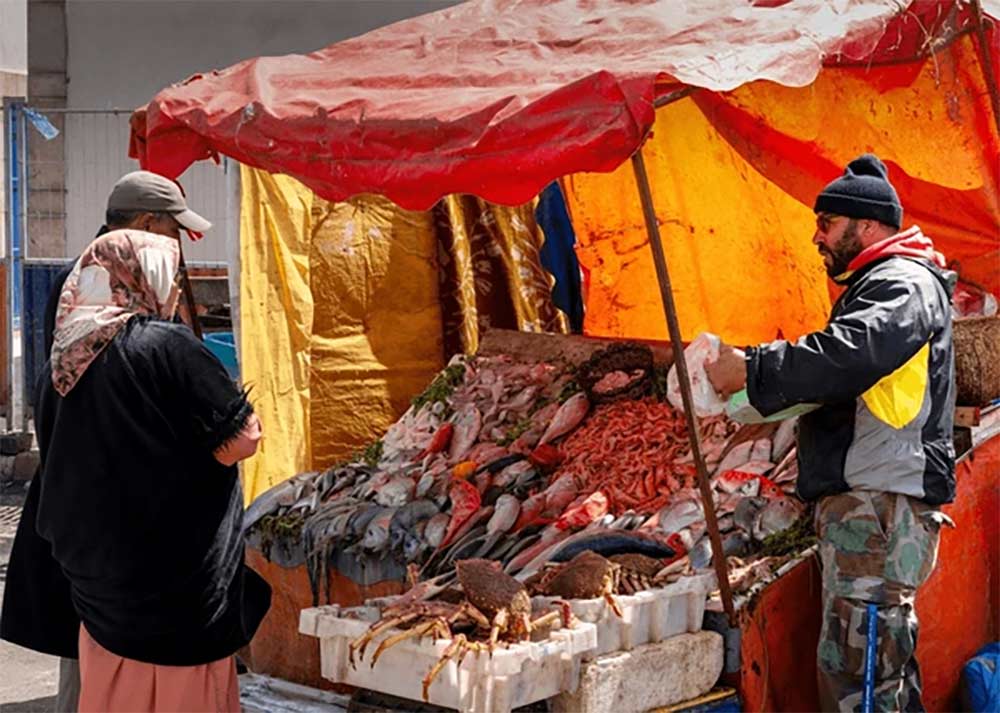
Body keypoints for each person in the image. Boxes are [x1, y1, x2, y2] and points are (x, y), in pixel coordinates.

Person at [705, 154, 956, 712]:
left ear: (866, 225)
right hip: (870, 508)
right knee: (876, 677)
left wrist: (752, 368)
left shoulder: (903, 282)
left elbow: (851, 353)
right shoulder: (881, 285)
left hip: (879, 509)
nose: (816, 237)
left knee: (860, 681)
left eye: (827, 223)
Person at [0, 171, 232, 713]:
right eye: (173, 230)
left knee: (100, 645)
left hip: (92, 497)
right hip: (107, 501)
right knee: (102, 643)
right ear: (148, 224)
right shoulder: (102, 289)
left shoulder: (104, 282)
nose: (178, 245)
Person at [31, 229, 268, 712]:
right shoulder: (165, 345)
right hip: (172, 573)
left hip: (98, 572)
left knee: (113, 688)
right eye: (172, 275)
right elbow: (242, 439)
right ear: (146, 278)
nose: (177, 287)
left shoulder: (64, 357)